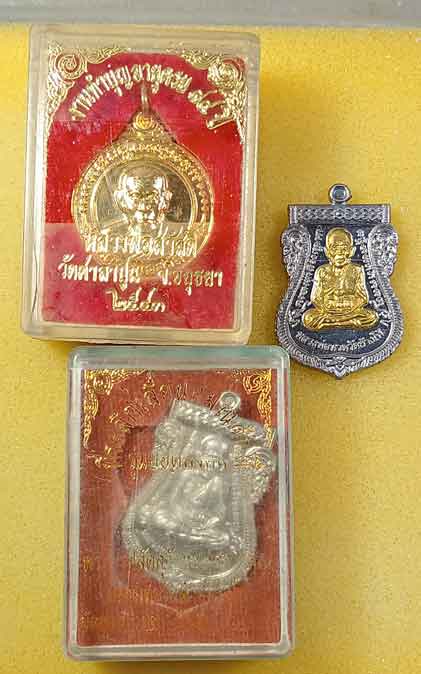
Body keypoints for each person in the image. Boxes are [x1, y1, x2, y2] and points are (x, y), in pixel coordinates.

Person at [302, 227, 378, 330]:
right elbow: (315, 298)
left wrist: (350, 305)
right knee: (308, 318)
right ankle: (348, 323)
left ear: (351, 251)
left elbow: (363, 298)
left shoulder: (356, 270)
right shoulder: (322, 271)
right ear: (327, 252)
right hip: (328, 312)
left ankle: (329, 324)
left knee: (372, 316)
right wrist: (328, 306)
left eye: (344, 248)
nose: (340, 252)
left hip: (350, 312)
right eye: (334, 248)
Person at [114, 165, 172, 238]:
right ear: (121, 200)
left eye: (151, 196)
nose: (143, 207)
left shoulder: (179, 231)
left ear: (165, 199)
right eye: (135, 196)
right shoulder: (108, 235)